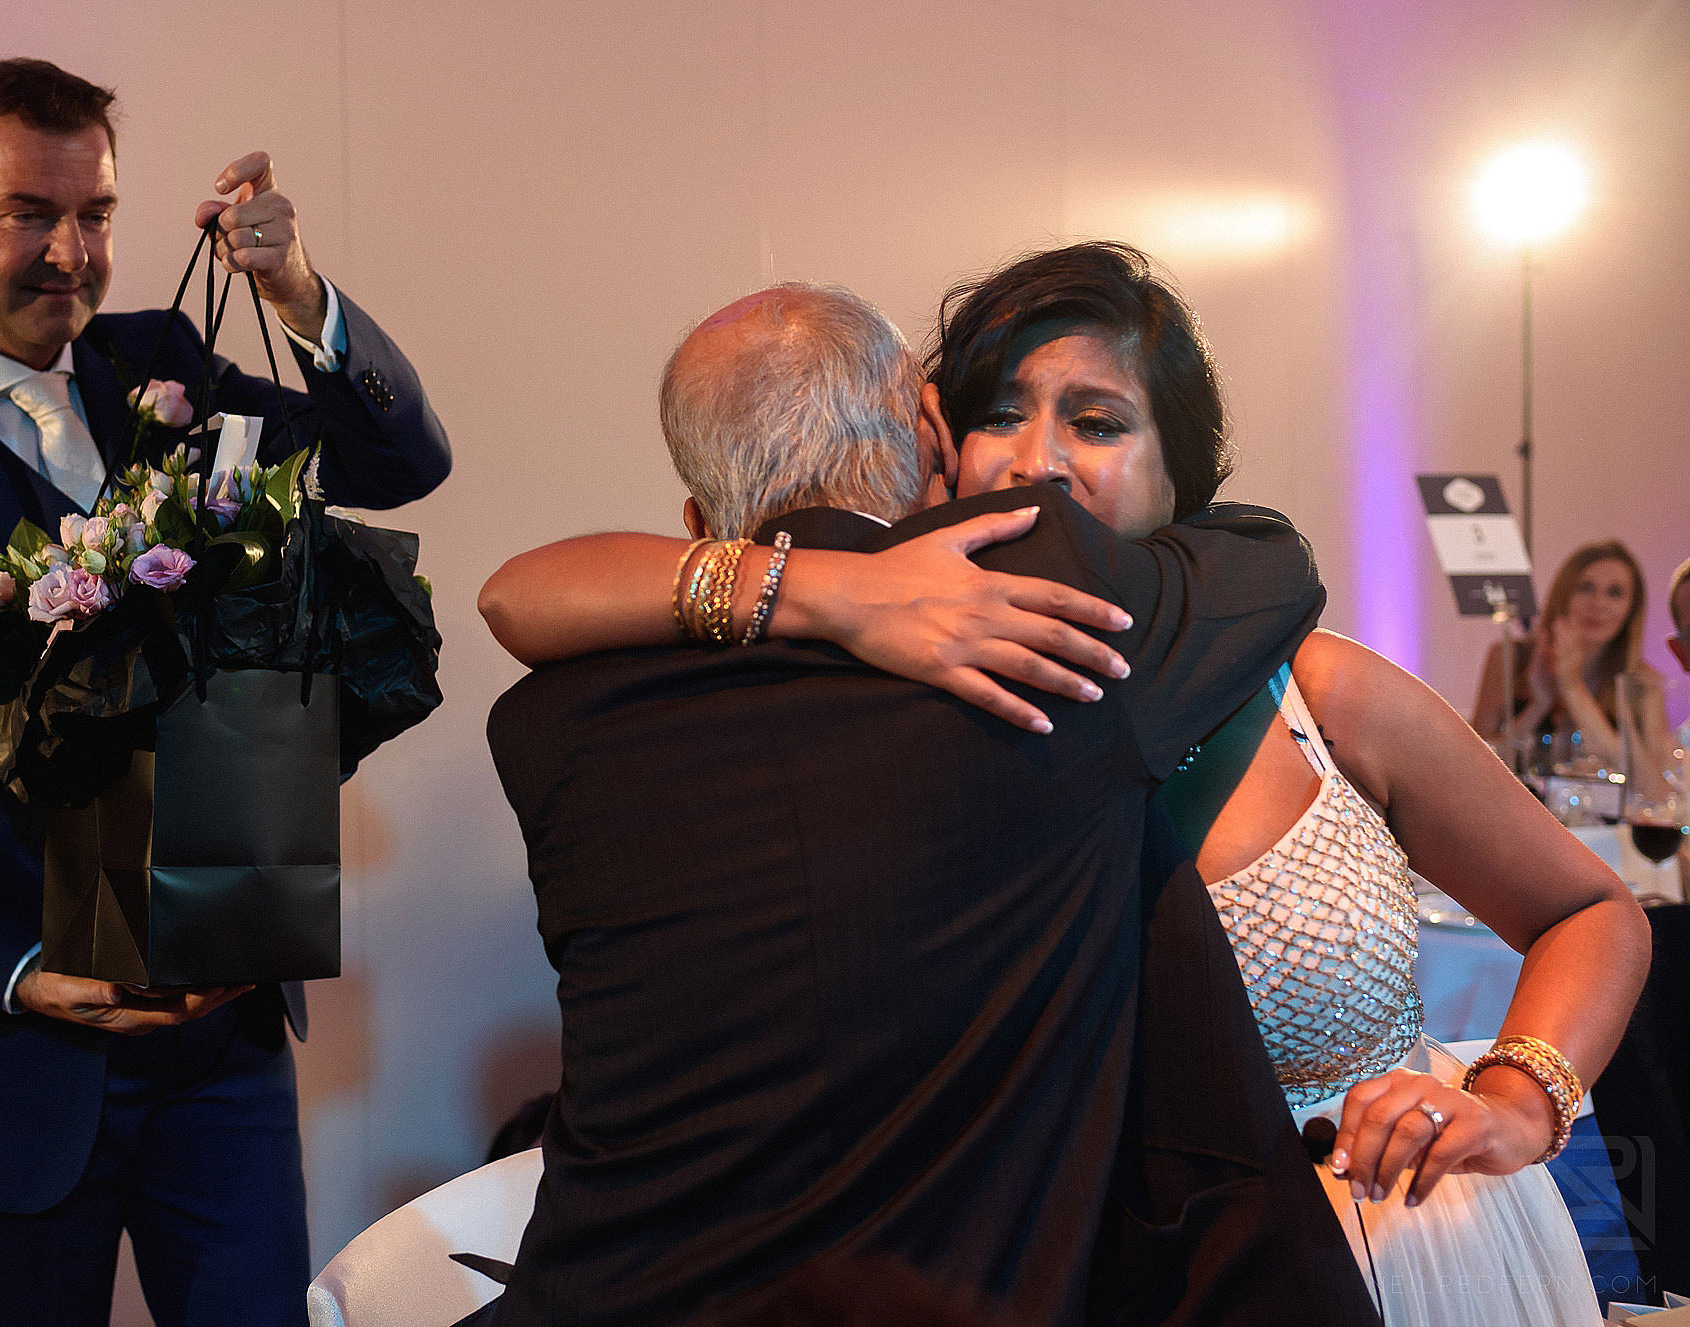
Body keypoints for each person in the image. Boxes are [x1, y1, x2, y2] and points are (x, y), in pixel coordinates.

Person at [483, 243, 1651, 1326]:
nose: (1035, 461)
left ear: (1177, 472)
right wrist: (835, 592)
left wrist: (1514, 1098)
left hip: (1370, 1242)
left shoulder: (1316, 690)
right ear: (932, 448)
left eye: (1094, 422)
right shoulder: (891, 701)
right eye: (996, 416)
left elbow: (1586, 908)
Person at [0, 58, 449, 1324]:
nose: (71, 253)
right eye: (29, 214)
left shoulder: (164, 363)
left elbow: (397, 463)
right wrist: (18, 970)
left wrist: (296, 294)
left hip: (220, 1033)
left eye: (96, 214)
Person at [1472, 539, 1665, 775]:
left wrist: (1573, 688)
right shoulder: (1510, 657)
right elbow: (1472, 763)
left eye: (1615, 593)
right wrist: (1538, 705)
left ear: (1631, 609)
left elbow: (1650, 784)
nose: (1598, 604)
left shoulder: (1642, 684)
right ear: (1563, 594)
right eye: (1586, 588)